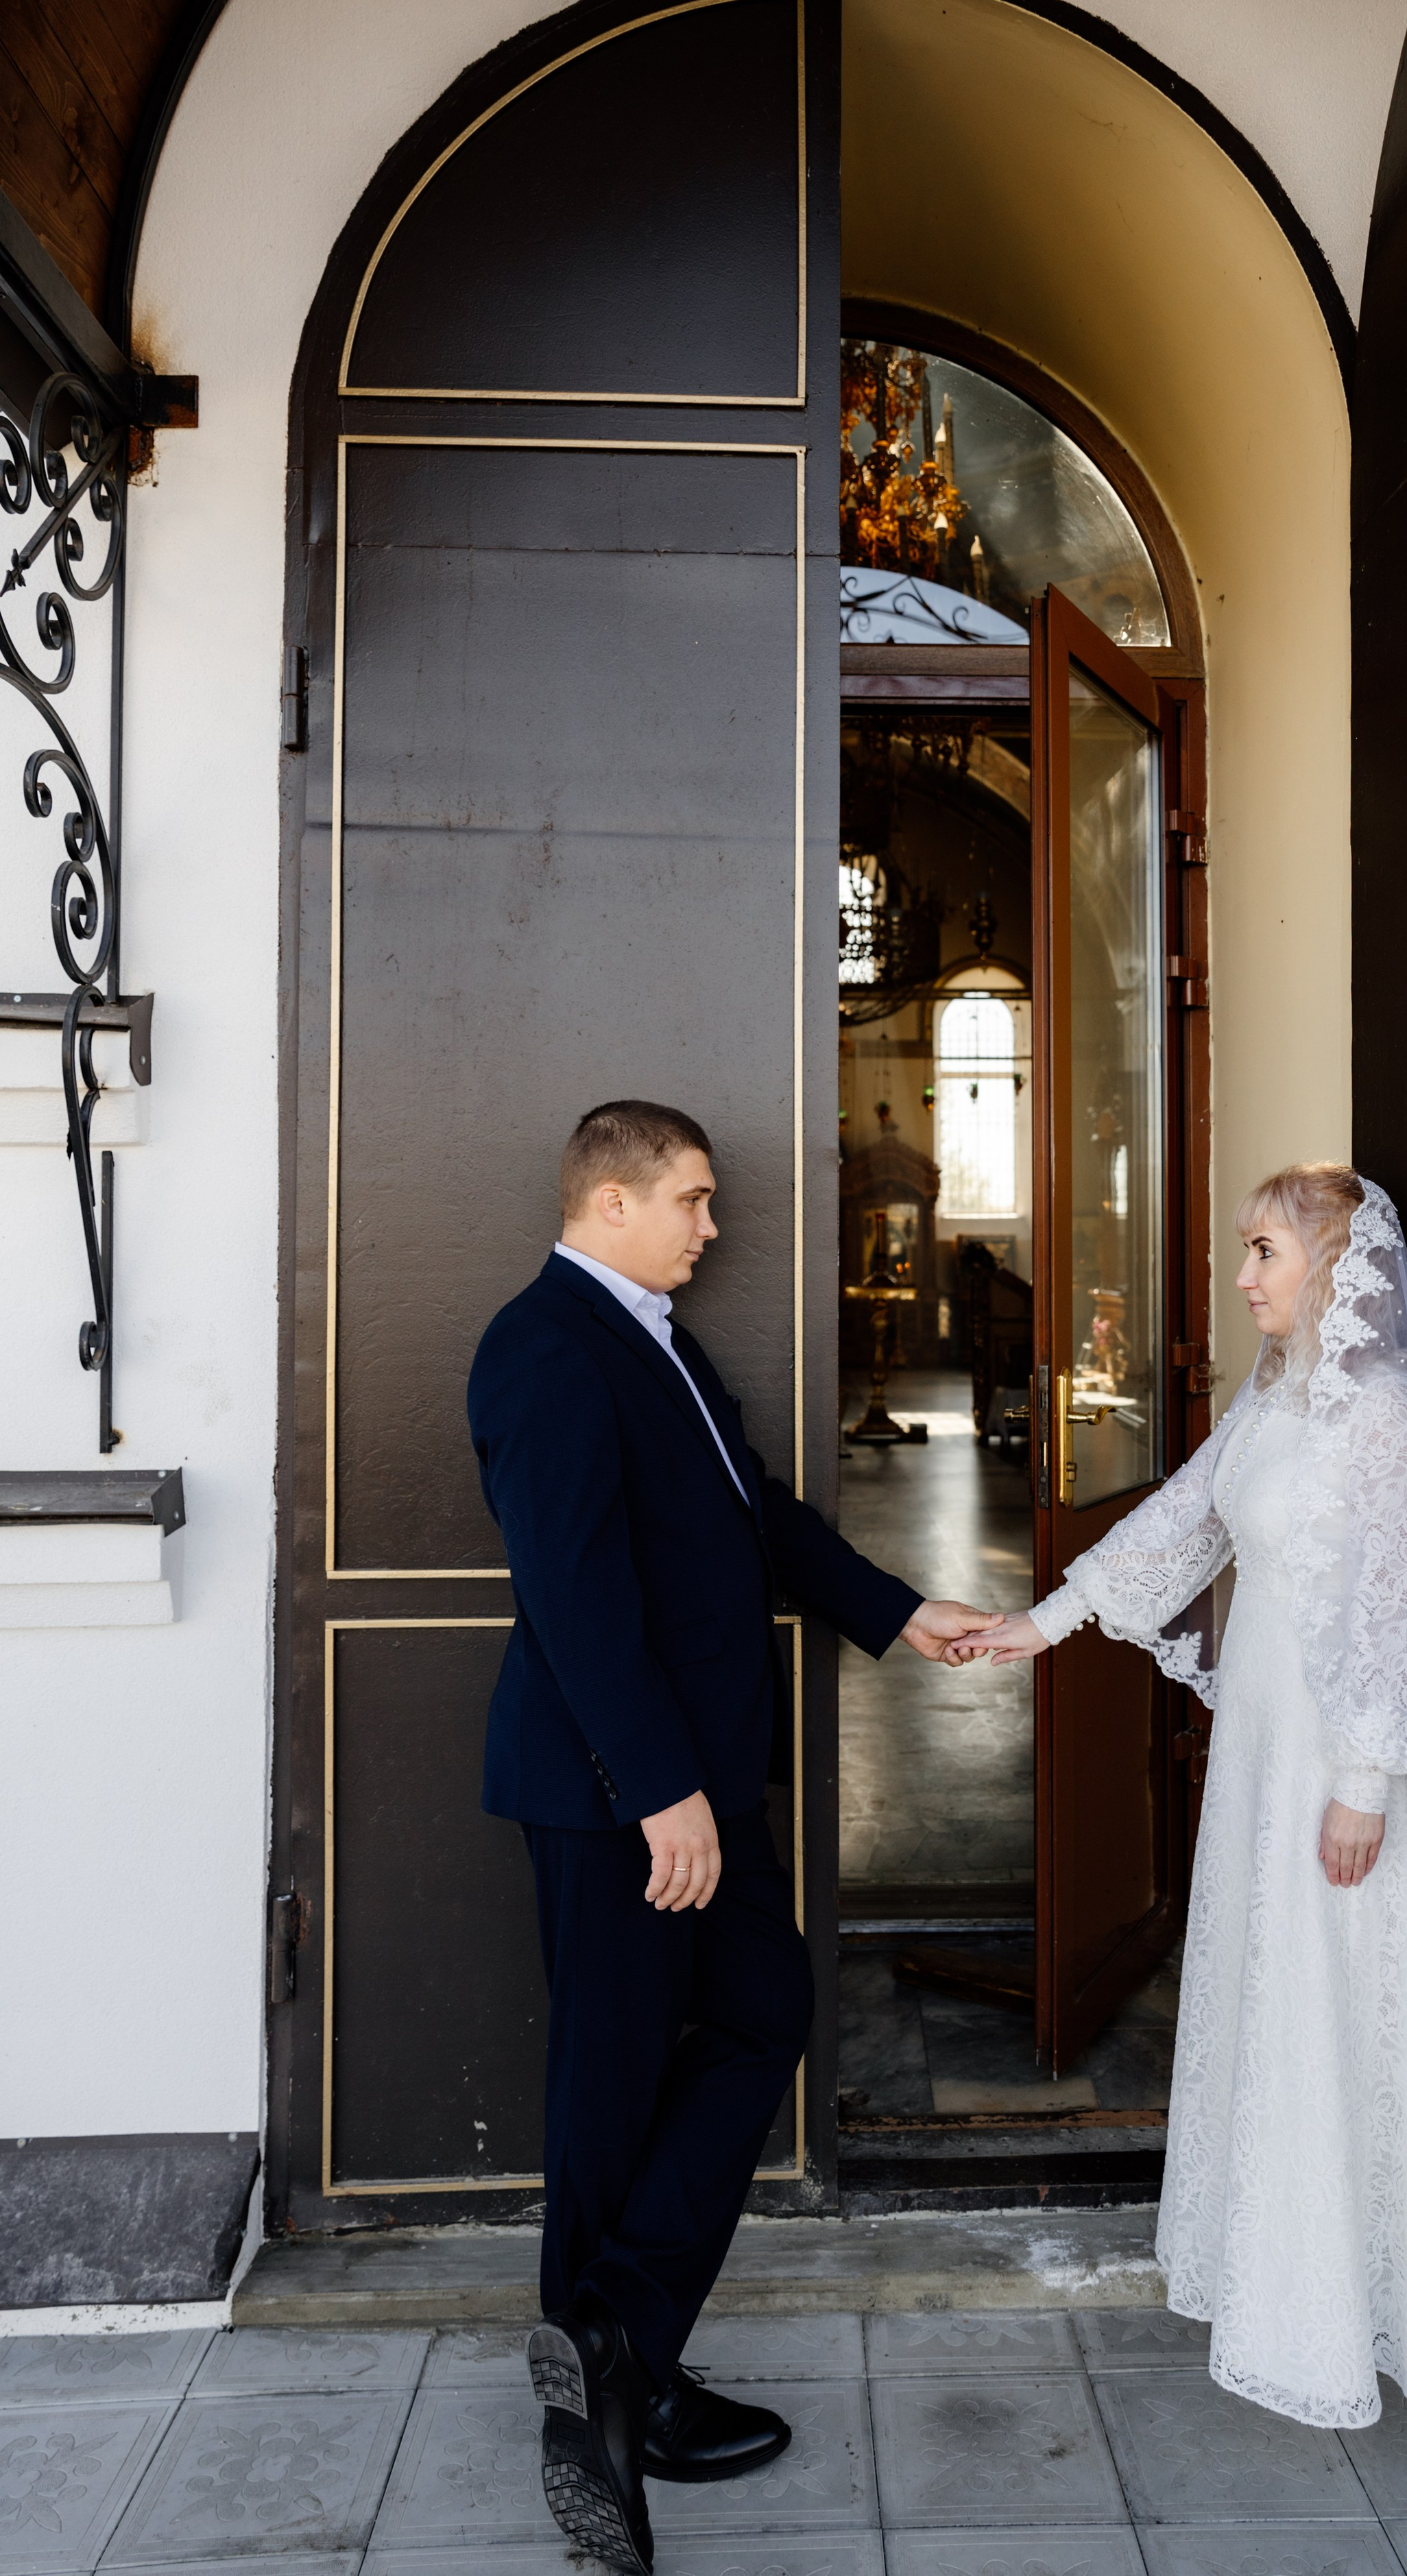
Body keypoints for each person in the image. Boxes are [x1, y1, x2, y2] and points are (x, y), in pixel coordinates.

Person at [468, 1100, 997, 2570]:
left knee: (761, 2010)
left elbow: (753, 1521)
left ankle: (613, 2341)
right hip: (620, 1799)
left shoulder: (652, 1335)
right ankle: (606, 2420)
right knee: (612, 2091)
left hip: (699, 1779)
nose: (713, 1226)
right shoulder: (545, 1347)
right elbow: (572, 1597)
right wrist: (655, 1790)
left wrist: (901, 1615)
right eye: (692, 1201)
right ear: (612, 1198)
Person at [950, 1164, 1407, 2429]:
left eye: (1262, 1252)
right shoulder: (1276, 1397)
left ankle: (1334, 2321)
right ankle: (1259, 2272)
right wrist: (1047, 1619)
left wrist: (1362, 1786)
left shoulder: (1386, 1416)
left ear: (1337, 1267)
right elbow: (1186, 1519)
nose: (1242, 1278)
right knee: (1257, 1980)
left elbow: (1405, 1614)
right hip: (1257, 1738)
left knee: (1326, 1993)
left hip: (1334, 1754)